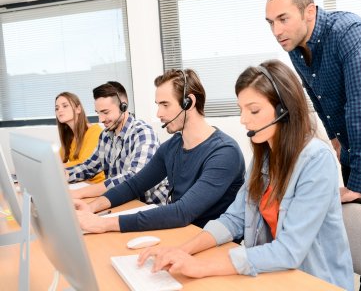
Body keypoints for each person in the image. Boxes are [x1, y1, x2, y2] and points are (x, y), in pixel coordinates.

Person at [138, 60, 354, 291]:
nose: (243, 119)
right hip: (269, 275)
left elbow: (289, 250)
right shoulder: (265, 157)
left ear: (284, 109)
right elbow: (234, 219)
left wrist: (202, 266)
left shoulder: (315, 160)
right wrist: (181, 251)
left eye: (254, 110)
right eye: (241, 110)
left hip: (311, 281)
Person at [265, 0, 361, 290]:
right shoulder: (296, 47)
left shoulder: (350, 34)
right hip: (356, 153)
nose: (276, 31)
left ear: (309, 11)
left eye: (283, 19)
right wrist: (334, 138)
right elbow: (317, 97)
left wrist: (358, 182)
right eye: (271, 22)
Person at [74, 69, 245, 234]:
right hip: (179, 233)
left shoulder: (224, 152)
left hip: (209, 243)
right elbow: (133, 186)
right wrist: (91, 209)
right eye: (158, 105)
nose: (158, 113)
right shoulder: (171, 147)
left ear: (189, 102)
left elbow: (182, 212)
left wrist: (104, 224)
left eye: (165, 105)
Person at [67, 81, 167, 205]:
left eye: (105, 112)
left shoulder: (143, 133)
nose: (101, 119)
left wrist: (81, 192)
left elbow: (133, 179)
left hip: (149, 206)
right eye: (98, 113)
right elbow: (89, 167)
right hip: (122, 202)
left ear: (123, 106)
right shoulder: (106, 135)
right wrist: (63, 176)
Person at [55, 92, 105, 184]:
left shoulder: (94, 131)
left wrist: (56, 167)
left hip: (96, 185)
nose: (59, 110)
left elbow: (84, 164)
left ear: (78, 109)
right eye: (57, 108)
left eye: (65, 106)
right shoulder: (69, 137)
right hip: (80, 183)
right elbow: (55, 160)